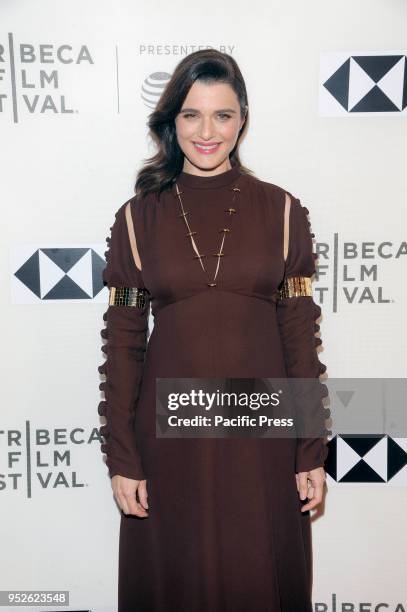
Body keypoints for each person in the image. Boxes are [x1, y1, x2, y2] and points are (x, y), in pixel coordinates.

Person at [97, 49, 330, 612]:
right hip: (169, 437)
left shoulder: (281, 212)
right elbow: (123, 344)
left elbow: (300, 334)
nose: (207, 132)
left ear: (242, 119)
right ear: (171, 122)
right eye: (192, 115)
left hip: (264, 438)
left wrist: (311, 447)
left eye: (222, 115)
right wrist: (122, 455)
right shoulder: (138, 218)